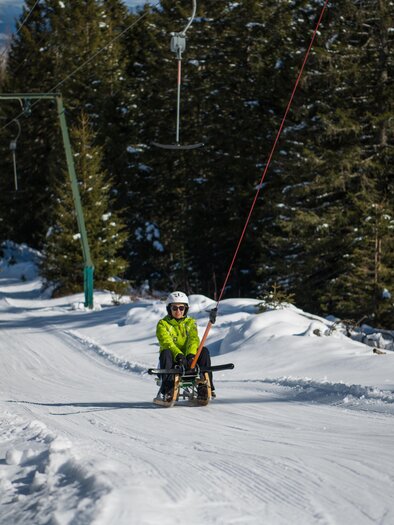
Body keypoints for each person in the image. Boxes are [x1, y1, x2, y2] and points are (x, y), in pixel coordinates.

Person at [156, 291, 215, 402]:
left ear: (186, 309)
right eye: (174, 308)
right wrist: (179, 355)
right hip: (172, 361)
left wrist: (190, 355)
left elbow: (193, 340)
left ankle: (205, 387)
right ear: (169, 309)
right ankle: (169, 388)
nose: (178, 311)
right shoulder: (162, 324)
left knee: (204, 351)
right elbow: (166, 342)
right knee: (166, 352)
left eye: (181, 308)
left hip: (189, 360)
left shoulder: (190, 323)